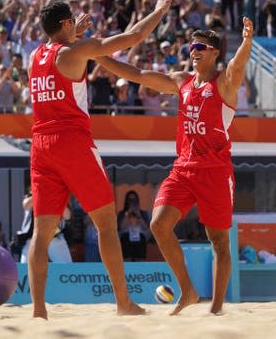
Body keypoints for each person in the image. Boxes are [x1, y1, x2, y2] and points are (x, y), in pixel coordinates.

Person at [27, 0, 173, 319]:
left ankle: (38, 311)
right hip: (72, 142)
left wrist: (72, 36)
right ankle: (124, 304)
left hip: (40, 144)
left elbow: (60, 54)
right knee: (106, 225)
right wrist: (158, 10)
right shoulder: (76, 51)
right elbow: (133, 37)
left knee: (42, 232)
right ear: (65, 23)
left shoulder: (35, 56)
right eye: (71, 20)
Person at [94, 17, 254, 315]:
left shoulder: (225, 82)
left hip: (215, 172)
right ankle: (189, 291)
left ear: (215, 53)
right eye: (191, 45)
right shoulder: (182, 81)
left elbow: (238, 65)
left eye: (201, 47)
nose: (193, 51)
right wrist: (97, 56)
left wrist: (246, 41)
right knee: (158, 224)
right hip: (183, 168)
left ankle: (216, 309)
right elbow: (138, 74)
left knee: (218, 240)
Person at [19, 192, 71, 263]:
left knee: (66, 267)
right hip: (33, 238)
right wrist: (42, 193)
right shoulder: (33, 193)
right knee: (24, 268)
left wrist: (57, 198)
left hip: (54, 237)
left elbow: (68, 216)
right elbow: (26, 205)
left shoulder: (58, 194)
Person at [117, 191, 151, 262]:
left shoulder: (143, 213)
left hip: (140, 239)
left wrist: (139, 215)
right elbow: (121, 227)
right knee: (127, 259)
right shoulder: (121, 213)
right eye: (130, 200)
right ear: (126, 201)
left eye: (134, 200)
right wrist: (127, 214)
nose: (132, 202)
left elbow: (146, 227)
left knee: (140, 260)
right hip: (126, 239)